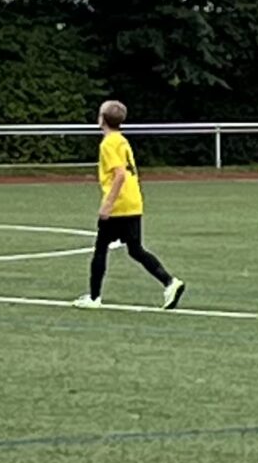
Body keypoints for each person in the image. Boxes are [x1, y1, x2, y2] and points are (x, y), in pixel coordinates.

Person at [75, 101, 186, 310]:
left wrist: (108, 204)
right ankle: (170, 282)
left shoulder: (108, 143)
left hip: (119, 204)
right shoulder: (122, 140)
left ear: (102, 119)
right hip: (133, 201)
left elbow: (119, 175)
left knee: (101, 248)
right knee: (135, 250)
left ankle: (94, 297)